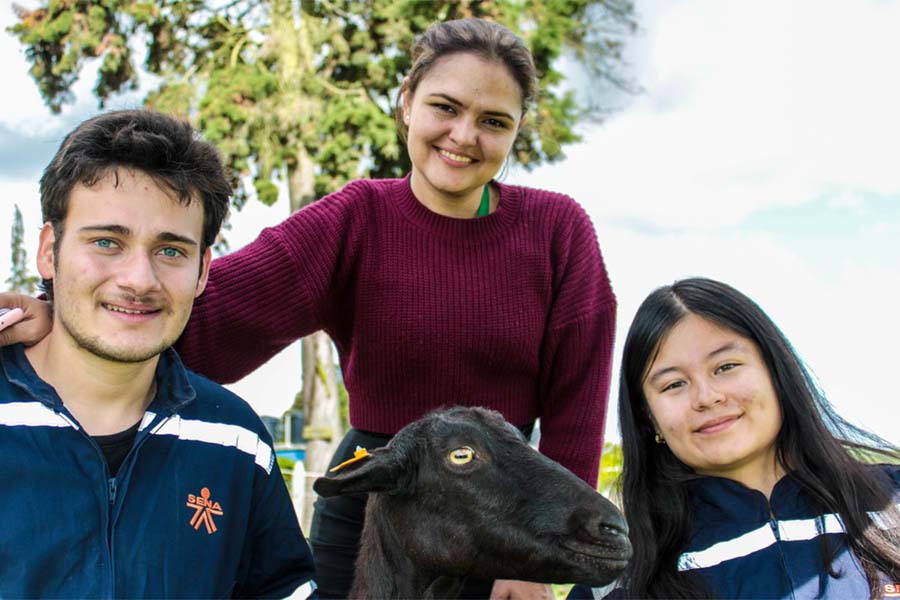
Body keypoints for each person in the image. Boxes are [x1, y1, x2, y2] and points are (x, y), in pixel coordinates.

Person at [1, 18, 616, 599]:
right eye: (445, 108)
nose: (463, 135)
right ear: (407, 102)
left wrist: (539, 554)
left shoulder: (557, 230)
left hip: (505, 510)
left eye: (493, 121)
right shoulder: (355, 220)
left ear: (517, 130)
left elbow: (578, 400)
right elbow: (209, 310)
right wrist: (64, 319)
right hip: (374, 503)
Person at [0, 110, 317, 598]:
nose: (139, 280)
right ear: (48, 250)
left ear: (203, 270)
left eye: (170, 251)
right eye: (107, 242)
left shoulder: (234, 439)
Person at [571, 277, 900, 599]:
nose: (707, 397)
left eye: (726, 367)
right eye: (674, 384)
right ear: (648, 416)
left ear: (776, 371)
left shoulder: (891, 503)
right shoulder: (616, 576)